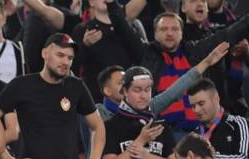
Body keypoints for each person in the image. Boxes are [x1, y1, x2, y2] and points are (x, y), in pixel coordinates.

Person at [95, 42, 230, 121]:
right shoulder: (95, 112)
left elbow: (174, 91)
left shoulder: (146, 107)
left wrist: (206, 63)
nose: (126, 86)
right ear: (107, 90)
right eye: (120, 83)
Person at [188, 78, 249, 159]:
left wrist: (205, 158)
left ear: (216, 98)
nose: (196, 110)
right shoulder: (194, 135)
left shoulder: (239, 124)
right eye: (193, 106)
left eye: (201, 103)